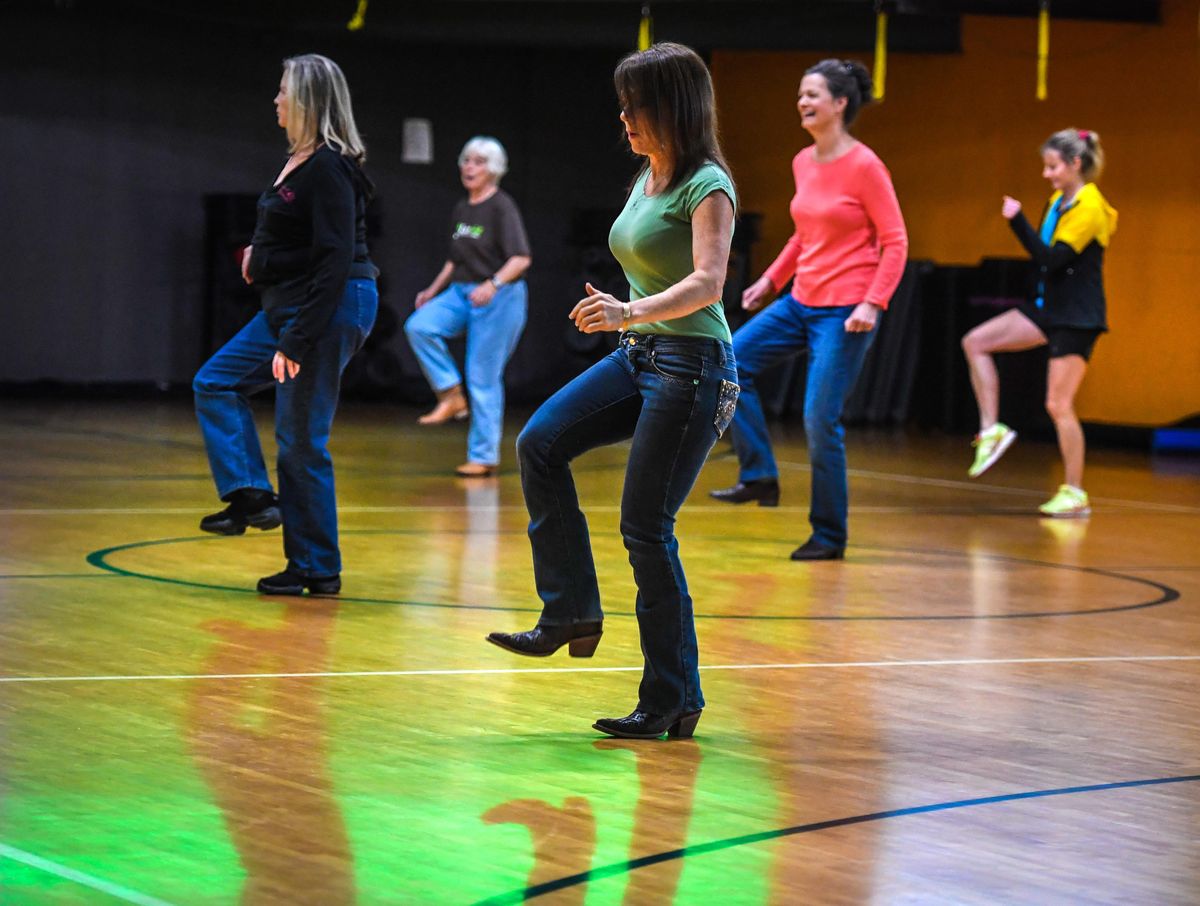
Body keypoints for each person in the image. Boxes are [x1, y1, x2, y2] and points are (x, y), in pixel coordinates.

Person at [486, 43, 740, 741]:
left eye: (637, 105)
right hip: (641, 357)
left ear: (675, 109)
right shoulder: (646, 177)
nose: (623, 116)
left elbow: (708, 283)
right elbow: (649, 271)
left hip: (694, 370)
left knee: (645, 529)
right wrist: (625, 308)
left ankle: (672, 697)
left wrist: (630, 311)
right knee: (539, 443)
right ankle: (568, 609)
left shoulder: (707, 184)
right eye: (623, 103)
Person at [193, 53, 378, 595]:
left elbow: (335, 257)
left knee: (300, 439)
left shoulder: (331, 167)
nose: (274, 99)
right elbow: (300, 245)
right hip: (289, 303)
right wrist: (261, 258)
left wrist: (299, 338)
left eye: (282, 91)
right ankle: (251, 493)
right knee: (216, 381)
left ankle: (317, 568)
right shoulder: (299, 160)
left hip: (327, 305)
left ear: (307, 100)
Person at [710, 59, 908, 561]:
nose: (803, 102)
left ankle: (828, 535)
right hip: (801, 299)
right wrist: (770, 281)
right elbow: (804, 234)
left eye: (813, 95)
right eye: (800, 94)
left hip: (846, 310)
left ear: (841, 104)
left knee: (819, 419)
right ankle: (758, 475)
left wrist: (872, 301)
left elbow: (895, 241)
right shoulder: (803, 161)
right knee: (728, 365)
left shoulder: (866, 165)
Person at [962, 129, 1117, 517]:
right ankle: (991, 429)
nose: (1047, 174)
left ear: (1075, 164)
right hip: (1048, 309)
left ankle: (1075, 491)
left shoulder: (1089, 207)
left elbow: (1051, 260)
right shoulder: (1057, 202)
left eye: (1053, 166)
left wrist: (1017, 221)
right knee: (975, 342)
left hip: (1077, 317)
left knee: (1058, 404)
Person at [404, 136, 532, 478]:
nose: (469, 167)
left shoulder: (501, 207)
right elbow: (454, 259)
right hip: (462, 292)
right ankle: (450, 394)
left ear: (493, 170)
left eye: (477, 162)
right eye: (466, 160)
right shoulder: (463, 208)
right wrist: (431, 290)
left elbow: (521, 258)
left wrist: (494, 284)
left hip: (499, 297)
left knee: (483, 376)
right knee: (419, 325)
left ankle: (483, 456)